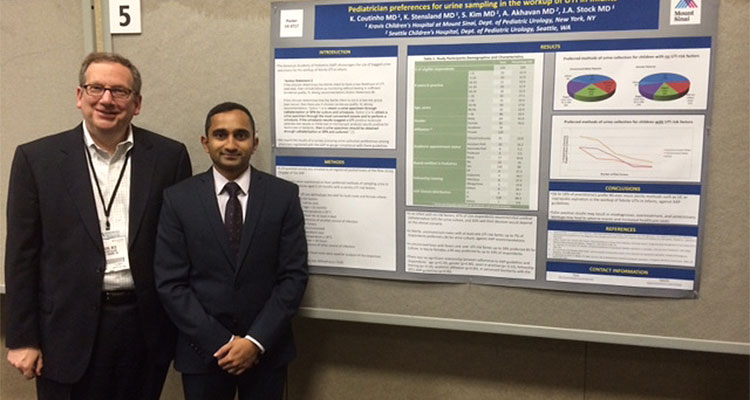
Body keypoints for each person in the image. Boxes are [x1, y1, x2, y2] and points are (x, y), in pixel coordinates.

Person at [4, 52, 192, 400]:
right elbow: (21, 256)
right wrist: (21, 338)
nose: (107, 99)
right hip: (64, 329)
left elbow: (182, 249)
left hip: (143, 328)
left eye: (120, 91)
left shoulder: (169, 157)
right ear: (80, 96)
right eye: (96, 88)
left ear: (136, 104)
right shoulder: (37, 160)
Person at [154, 101, 308, 400]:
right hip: (202, 352)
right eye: (220, 134)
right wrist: (220, 341)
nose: (230, 144)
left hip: (266, 350)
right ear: (205, 142)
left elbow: (293, 277)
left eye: (241, 135)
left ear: (254, 143)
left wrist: (254, 341)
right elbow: (170, 283)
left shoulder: (283, 196)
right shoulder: (178, 200)